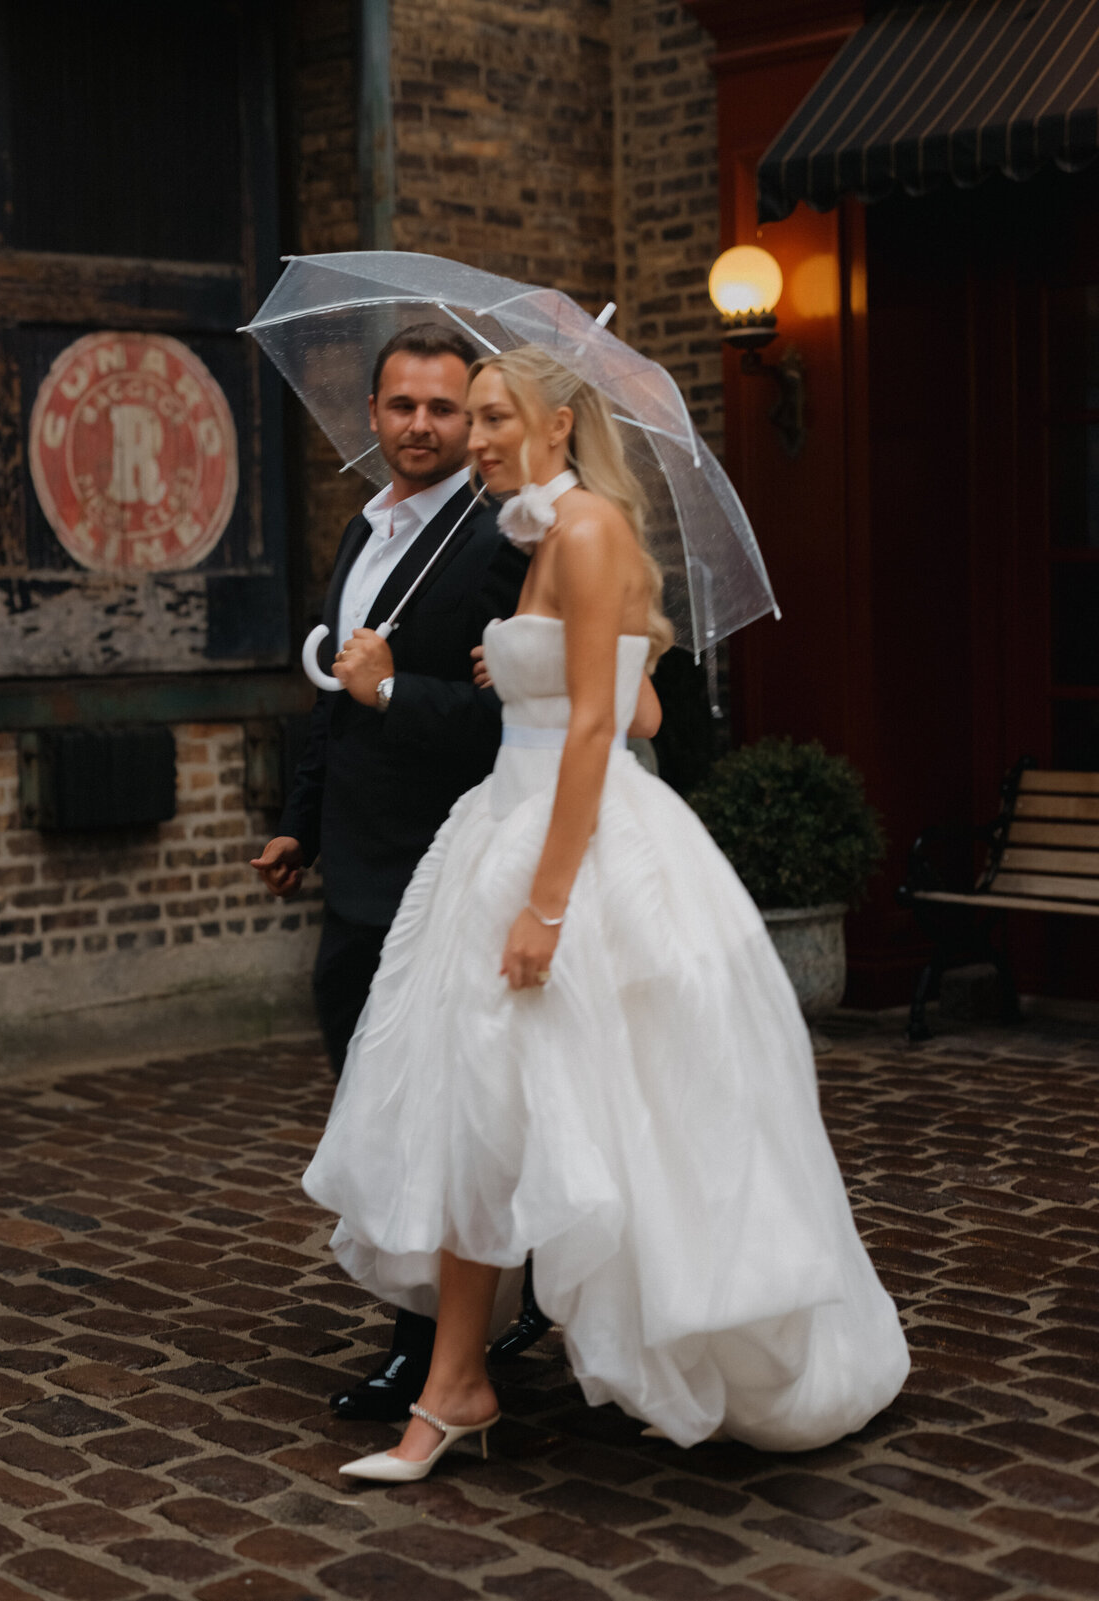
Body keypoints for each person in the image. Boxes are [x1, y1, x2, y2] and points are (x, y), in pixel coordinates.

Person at [301, 345, 910, 1481]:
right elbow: (635, 702)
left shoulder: (584, 533)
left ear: (559, 419)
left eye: (494, 415)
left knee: (641, 1117)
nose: (477, 438)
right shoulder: (541, 536)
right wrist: (529, 667)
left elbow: (593, 736)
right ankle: (455, 1385)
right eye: (470, 417)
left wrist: (546, 904)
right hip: (501, 824)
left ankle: (598, 1352)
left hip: (566, 848)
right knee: (472, 1111)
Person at [251, 324, 530, 1422]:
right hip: (354, 862)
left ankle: (429, 1352)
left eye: (445, 409)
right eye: (403, 405)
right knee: (375, 1099)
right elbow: (333, 691)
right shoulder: (362, 531)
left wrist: (388, 692)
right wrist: (298, 820)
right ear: (372, 414)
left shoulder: (503, 539)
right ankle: (485, 1305)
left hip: (440, 865)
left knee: (429, 1117)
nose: (423, 425)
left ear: (473, 421)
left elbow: (514, 718)